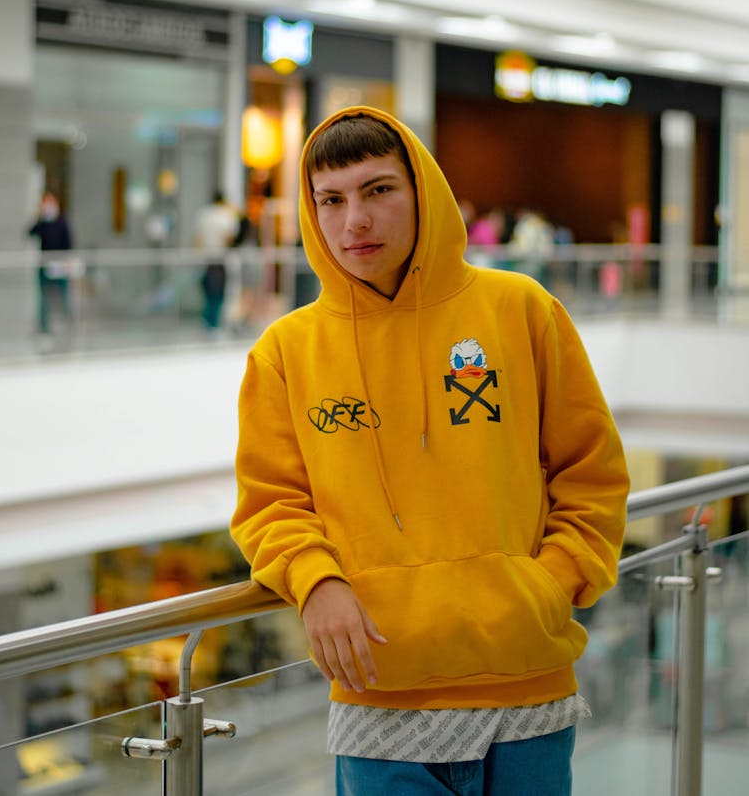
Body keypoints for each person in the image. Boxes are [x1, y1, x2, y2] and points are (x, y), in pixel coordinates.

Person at [231, 107, 629, 796]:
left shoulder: (521, 309)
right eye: (331, 199)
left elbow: (591, 471)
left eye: (378, 190)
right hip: (380, 700)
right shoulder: (285, 353)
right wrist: (314, 579)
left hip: (526, 690)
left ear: (426, 194)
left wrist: (550, 584)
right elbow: (271, 502)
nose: (353, 220)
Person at [28, 189, 73, 335]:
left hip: (60, 264)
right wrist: (39, 217)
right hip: (44, 264)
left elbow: (69, 243)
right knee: (43, 296)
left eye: (50, 202)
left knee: (63, 293)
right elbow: (30, 233)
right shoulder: (43, 222)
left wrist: (67, 260)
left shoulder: (62, 221)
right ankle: (44, 325)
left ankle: (67, 321)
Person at [193, 190, 238, 330]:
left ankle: (207, 319)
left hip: (205, 257)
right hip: (219, 257)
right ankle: (212, 322)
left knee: (207, 290)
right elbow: (229, 237)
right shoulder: (226, 215)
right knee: (218, 292)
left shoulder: (204, 214)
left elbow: (198, 238)